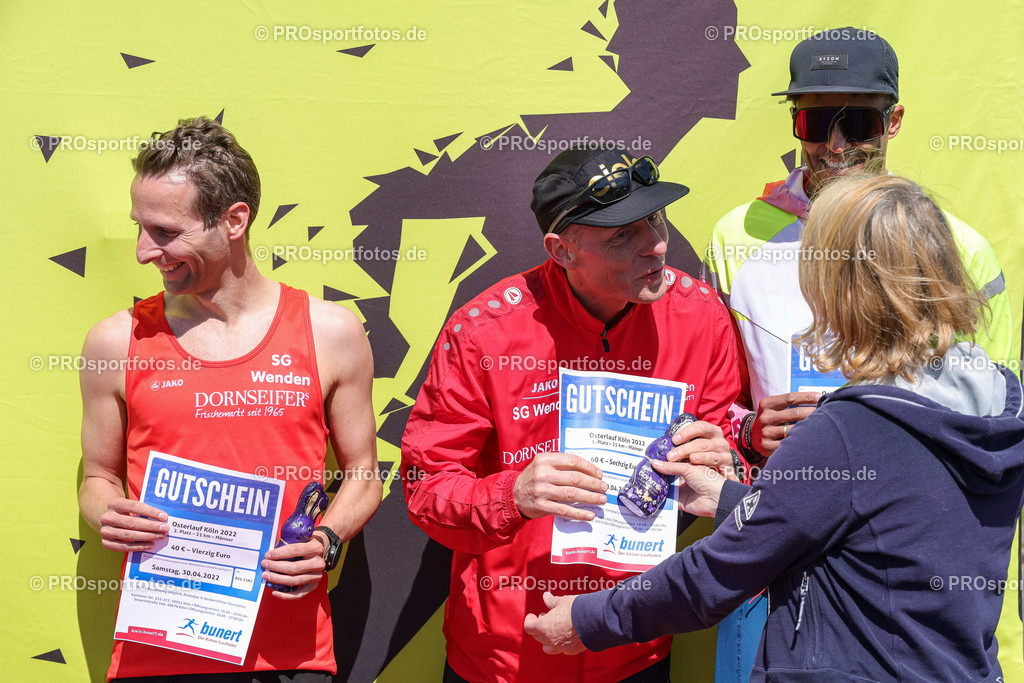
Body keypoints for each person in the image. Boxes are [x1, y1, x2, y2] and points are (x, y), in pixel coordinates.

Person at [525, 173, 1024, 681]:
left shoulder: (852, 430)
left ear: (840, 284)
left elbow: (718, 573)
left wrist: (585, 620)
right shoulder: (1003, 401)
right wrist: (727, 500)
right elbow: (870, 528)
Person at [700, 27, 1018, 680]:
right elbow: (716, 402)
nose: (837, 144)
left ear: (894, 120)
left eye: (859, 119)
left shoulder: (959, 244)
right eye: (818, 120)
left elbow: (998, 424)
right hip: (768, 539)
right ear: (795, 122)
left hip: (902, 560)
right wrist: (750, 430)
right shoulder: (736, 235)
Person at [401, 146, 746, 682]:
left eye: (655, 218)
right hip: (507, 657)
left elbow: (729, 452)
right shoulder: (483, 332)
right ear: (561, 251)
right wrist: (510, 495)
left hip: (633, 643)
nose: (655, 245)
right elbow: (426, 490)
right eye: (621, 236)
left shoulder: (700, 315)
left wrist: (722, 460)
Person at [78, 117, 382, 681]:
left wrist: (327, 541)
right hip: (158, 651)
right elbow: (97, 477)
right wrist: (108, 513)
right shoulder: (115, 339)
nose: (146, 252)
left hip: (291, 653)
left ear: (234, 220)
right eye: (139, 228)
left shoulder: (330, 332)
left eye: (166, 232)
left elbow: (365, 473)